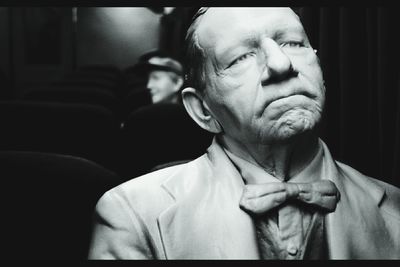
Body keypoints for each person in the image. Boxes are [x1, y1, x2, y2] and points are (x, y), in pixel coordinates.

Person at [88, 8, 400, 259]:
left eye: (293, 43)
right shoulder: (134, 215)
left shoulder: (394, 209)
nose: (281, 63)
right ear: (203, 110)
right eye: (240, 58)